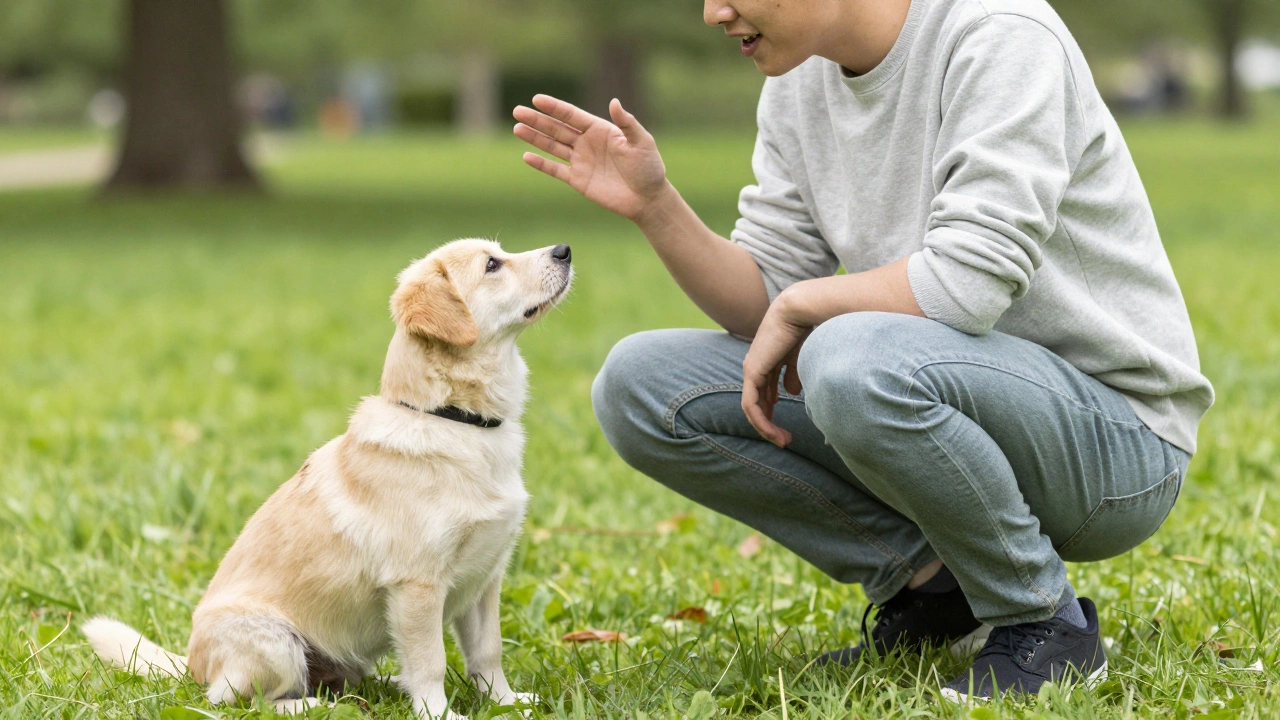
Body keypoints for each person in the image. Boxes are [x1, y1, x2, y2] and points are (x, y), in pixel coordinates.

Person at [513, 0, 1212, 701]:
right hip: (934, 385)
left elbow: (971, 281)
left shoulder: (1001, 36)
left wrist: (806, 305)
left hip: (1115, 446)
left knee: (846, 356)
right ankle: (941, 592)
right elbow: (768, 296)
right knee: (642, 387)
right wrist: (656, 204)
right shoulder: (798, 78)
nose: (711, 12)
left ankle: (1043, 622)